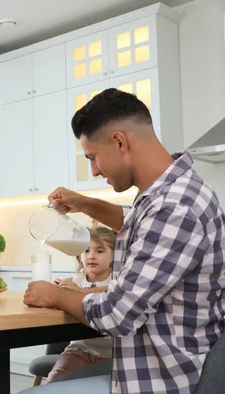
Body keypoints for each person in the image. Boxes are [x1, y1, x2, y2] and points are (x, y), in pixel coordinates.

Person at [22, 88, 225, 394]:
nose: (93, 170)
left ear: (119, 141)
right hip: (148, 365)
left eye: (93, 157)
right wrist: (85, 204)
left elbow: (115, 314)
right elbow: (136, 223)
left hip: (159, 380)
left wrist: (55, 295)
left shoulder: (174, 207)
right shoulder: (168, 195)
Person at [46, 227, 116, 384]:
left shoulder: (117, 281)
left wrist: (80, 292)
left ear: (114, 256)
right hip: (80, 349)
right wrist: (58, 292)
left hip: (113, 354)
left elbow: (113, 291)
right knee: (54, 383)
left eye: (99, 251)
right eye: (86, 251)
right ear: (79, 257)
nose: (91, 256)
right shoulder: (77, 280)